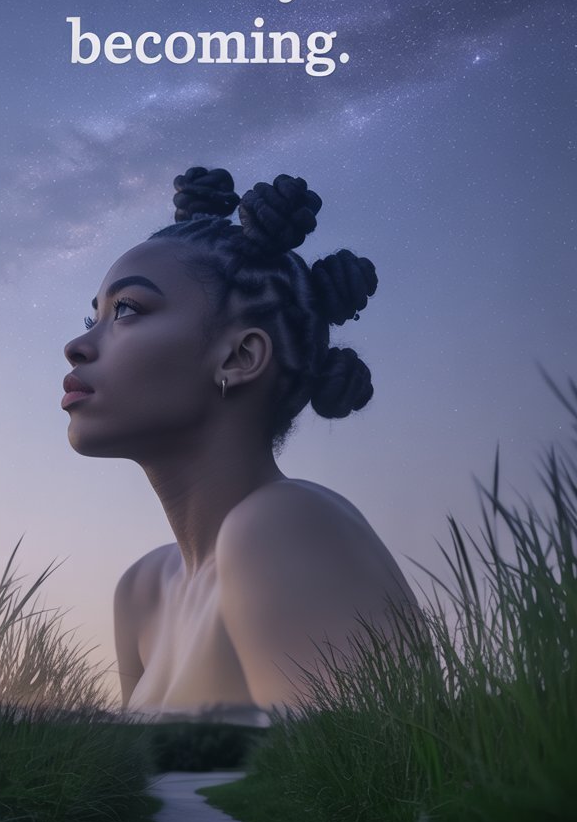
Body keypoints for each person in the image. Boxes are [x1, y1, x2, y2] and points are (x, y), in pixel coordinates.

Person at [62, 167, 418, 723]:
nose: (78, 346)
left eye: (126, 310)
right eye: (95, 316)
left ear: (240, 358)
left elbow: (376, 794)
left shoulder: (285, 526)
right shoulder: (143, 592)